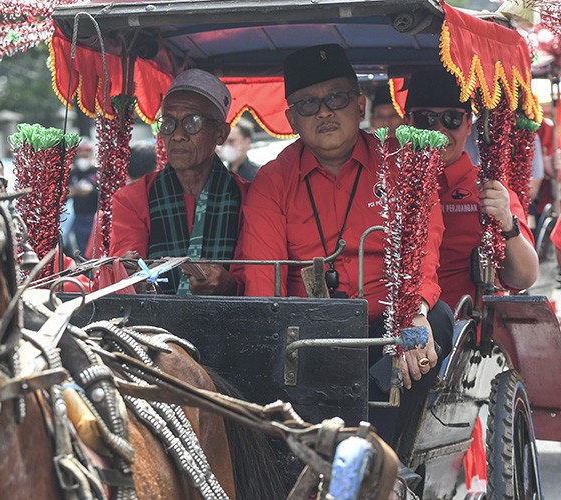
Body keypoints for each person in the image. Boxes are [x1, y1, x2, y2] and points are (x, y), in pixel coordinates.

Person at [236, 44, 453, 450]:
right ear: (291, 119)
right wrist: (272, 342)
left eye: (335, 98)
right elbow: (264, 279)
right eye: (308, 104)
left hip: (389, 326)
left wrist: (415, 314)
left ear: (359, 104)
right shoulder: (272, 180)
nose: (324, 112)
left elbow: (425, 248)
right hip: (309, 334)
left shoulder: (403, 166)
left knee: (435, 322)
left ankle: (384, 454)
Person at [404, 69, 538, 310]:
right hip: (399, 321)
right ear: (408, 123)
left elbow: (523, 279)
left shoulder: (489, 190)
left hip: (467, 324)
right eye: (425, 119)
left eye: (451, 119)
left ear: (468, 124)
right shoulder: (389, 185)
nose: (438, 130)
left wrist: (506, 223)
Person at [110, 68, 248, 295]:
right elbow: (126, 276)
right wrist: (130, 276)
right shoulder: (132, 199)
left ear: (221, 133)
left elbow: (253, 278)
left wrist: (229, 284)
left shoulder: (248, 197)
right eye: (168, 123)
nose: (177, 135)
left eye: (192, 122)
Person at [67, 141, 98, 256]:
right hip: (79, 217)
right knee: (82, 250)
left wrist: (91, 191)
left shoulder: (97, 172)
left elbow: (105, 194)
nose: (82, 160)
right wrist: (73, 192)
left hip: (95, 217)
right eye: (80, 157)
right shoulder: (73, 173)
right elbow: (65, 192)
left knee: (94, 249)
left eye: (85, 156)